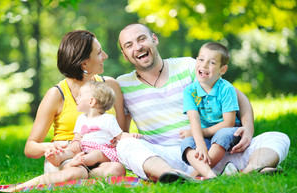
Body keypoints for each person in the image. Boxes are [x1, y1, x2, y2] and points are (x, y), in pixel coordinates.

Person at [116, 23, 290, 183]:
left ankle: (250, 170)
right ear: (124, 55)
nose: (138, 47)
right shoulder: (122, 85)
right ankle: (173, 176)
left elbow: (238, 97)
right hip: (163, 156)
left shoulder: (188, 66)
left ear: (154, 39)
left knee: (277, 137)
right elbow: (120, 132)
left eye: (142, 39)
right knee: (125, 145)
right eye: (129, 45)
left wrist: (248, 130)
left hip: (210, 151)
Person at [0, 30, 128, 192]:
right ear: (84, 64)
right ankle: (17, 188)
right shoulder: (56, 94)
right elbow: (30, 148)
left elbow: (122, 133)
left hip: (100, 156)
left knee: (116, 170)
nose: (106, 56)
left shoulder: (110, 86)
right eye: (99, 52)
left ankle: (86, 180)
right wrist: (52, 147)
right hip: (66, 158)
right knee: (77, 172)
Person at [45, 81, 141, 169]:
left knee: (96, 154)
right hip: (84, 147)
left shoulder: (108, 119)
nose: (77, 98)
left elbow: (120, 135)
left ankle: (81, 161)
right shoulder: (81, 119)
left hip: (102, 151)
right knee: (71, 149)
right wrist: (75, 142)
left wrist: (132, 136)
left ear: (91, 102)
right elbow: (77, 136)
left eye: (80, 95)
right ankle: (58, 157)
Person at [181, 42, 242, 179]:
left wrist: (201, 135)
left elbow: (229, 123)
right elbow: (194, 120)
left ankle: (194, 175)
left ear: (223, 70)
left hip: (229, 132)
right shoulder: (189, 91)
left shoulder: (226, 89)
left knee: (222, 134)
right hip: (206, 136)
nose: (204, 65)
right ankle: (209, 174)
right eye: (201, 59)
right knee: (187, 144)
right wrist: (200, 143)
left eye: (212, 62)